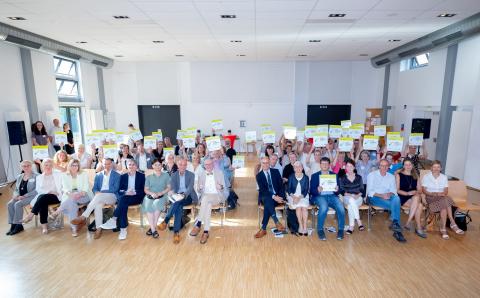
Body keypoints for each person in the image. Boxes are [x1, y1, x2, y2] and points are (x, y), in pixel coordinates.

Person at [71, 158, 120, 239]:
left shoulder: (117, 175)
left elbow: (115, 188)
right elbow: (94, 188)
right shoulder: (98, 175)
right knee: (97, 205)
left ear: (111, 164)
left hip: (112, 196)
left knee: (99, 196)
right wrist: (96, 191)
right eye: (105, 164)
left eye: (108, 164)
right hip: (100, 197)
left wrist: (101, 192)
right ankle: (98, 229)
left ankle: (84, 216)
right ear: (102, 164)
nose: (106, 166)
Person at [101, 159, 145, 240]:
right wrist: (125, 192)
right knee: (123, 203)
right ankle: (122, 229)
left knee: (122, 201)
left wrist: (134, 192)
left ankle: (116, 222)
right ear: (127, 166)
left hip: (136, 197)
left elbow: (143, 190)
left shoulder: (141, 176)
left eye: (133, 164)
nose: (131, 166)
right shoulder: (123, 176)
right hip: (126, 196)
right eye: (129, 165)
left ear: (136, 166)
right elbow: (119, 190)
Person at [157, 157, 198, 244]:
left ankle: (166, 220)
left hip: (188, 196)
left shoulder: (191, 174)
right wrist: (172, 193)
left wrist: (183, 195)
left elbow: (190, 188)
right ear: (177, 165)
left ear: (186, 166)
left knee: (177, 202)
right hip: (177, 197)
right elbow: (173, 188)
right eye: (180, 164)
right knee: (178, 205)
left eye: (184, 165)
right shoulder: (174, 175)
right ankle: (176, 233)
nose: (182, 166)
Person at [421, 160, 464, 240]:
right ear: (431, 168)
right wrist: (434, 194)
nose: (436, 169)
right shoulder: (426, 177)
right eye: (434, 167)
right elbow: (424, 190)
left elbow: (445, 191)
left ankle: (444, 228)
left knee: (444, 206)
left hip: (441, 198)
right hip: (430, 198)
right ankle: (452, 223)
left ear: (441, 168)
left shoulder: (444, 177)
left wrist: (438, 194)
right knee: (446, 200)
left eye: (438, 167)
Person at [189, 158, 228, 244]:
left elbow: (224, 188)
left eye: (210, 164)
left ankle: (198, 223)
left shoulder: (219, 173)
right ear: (204, 166)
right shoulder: (201, 174)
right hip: (205, 197)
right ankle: (206, 232)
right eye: (206, 165)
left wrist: (220, 187)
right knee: (208, 205)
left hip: (216, 196)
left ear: (213, 164)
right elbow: (199, 190)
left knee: (206, 200)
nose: (208, 166)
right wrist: (199, 188)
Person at [366, 159, 406, 242]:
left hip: (387, 196)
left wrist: (389, 194)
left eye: (386, 166)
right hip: (374, 197)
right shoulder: (372, 175)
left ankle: (395, 224)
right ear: (379, 166)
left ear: (388, 167)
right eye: (382, 165)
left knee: (396, 198)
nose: (384, 167)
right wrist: (381, 195)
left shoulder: (391, 176)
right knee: (396, 205)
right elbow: (370, 191)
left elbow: (394, 190)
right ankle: (397, 230)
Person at [51, 159, 92, 237]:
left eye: (76, 165)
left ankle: (57, 211)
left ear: (78, 166)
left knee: (72, 199)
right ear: (69, 166)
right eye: (72, 165)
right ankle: (74, 228)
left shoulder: (83, 174)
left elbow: (86, 186)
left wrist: (80, 193)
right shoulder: (65, 175)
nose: (74, 167)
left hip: (84, 195)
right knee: (72, 204)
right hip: (70, 196)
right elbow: (64, 188)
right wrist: (69, 193)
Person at [23, 159, 63, 234]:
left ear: (52, 166)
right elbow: (38, 189)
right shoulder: (39, 177)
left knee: (42, 198)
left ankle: (31, 215)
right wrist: (49, 192)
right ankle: (44, 226)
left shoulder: (58, 174)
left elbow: (63, 184)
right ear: (43, 166)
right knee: (43, 200)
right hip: (44, 197)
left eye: (50, 165)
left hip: (56, 196)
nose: (48, 167)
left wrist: (55, 192)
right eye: (46, 165)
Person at [310, 157, 345, 241]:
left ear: (329, 165)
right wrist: (317, 190)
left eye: (326, 164)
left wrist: (337, 189)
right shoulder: (315, 176)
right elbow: (311, 191)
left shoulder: (334, 175)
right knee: (324, 207)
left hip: (332, 196)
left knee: (341, 207)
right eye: (323, 164)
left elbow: (339, 190)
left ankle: (341, 230)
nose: (325, 165)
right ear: (320, 165)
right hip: (319, 196)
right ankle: (320, 229)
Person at [254, 157, 286, 238]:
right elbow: (263, 190)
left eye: (267, 162)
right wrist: (274, 196)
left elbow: (281, 186)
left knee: (268, 205)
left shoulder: (275, 171)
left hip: (277, 197)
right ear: (261, 164)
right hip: (265, 196)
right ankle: (276, 222)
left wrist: (280, 197)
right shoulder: (259, 176)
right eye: (263, 163)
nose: (265, 164)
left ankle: (263, 229)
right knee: (268, 199)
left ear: (269, 163)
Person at [396, 158, 426, 238]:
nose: (408, 166)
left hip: (414, 195)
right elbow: (397, 190)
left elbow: (420, 189)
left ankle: (410, 223)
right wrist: (407, 193)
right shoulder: (399, 175)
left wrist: (415, 192)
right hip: (402, 196)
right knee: (419, 205)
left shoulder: (416, 175)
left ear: (412, 165)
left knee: (417, 199)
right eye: (406, 165)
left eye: (409, 164)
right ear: (403, 166)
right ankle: (417, 228)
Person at [6, 160, 38, 236]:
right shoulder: (19, 176)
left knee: (18, 204)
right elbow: (16, 189)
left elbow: (37, 190)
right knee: (10, 204)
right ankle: (13, 225)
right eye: (24, 166)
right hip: (19, 196)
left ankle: (18, 225)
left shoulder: (36, 176)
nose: (26, 167)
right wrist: (16, 195)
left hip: (31, 196)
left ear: (31, 166)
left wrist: (24, 196)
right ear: (21, 167)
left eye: (28, 165)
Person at [142, 159, 171, 239]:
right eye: (155, 165)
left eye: (159, 165)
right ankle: (153, 229)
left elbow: (169, 187)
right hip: (150, 196)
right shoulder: (149, 177)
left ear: (162, 166)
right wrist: (152, 193)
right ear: (152, 166)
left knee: (157, 205)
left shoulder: (166, 175)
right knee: (149, 206)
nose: (158, 166)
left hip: (162, 195)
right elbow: (146, 189)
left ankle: (152, 229)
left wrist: (161, 193)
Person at [338, 159, 365, 234]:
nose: (349, 168)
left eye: (351, 166)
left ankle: (351, 227)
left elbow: (362, 190)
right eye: (347, 166)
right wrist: (351, 195)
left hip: (358, 197)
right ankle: (359, 220)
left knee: (350, 206)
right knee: (351, 200)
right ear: (345, 167)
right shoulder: (342, 178)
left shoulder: (359, 177)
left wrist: (357, 195)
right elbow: (342, 191)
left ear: (354, 167)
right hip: (347, 197)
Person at [286, 161, 310, 236]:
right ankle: (300, 225)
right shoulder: (291, 176)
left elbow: (306, 190)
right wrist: (294, 197)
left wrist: (299, 198)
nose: (298, 168)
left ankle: (305, 226)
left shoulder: (306, 177)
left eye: (299, 166)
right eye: (296, 167)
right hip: (293, 195)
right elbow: (289, 189)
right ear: (294, 168)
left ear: (302, 168)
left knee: (304, 208)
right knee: (298, 207)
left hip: (303, 196)